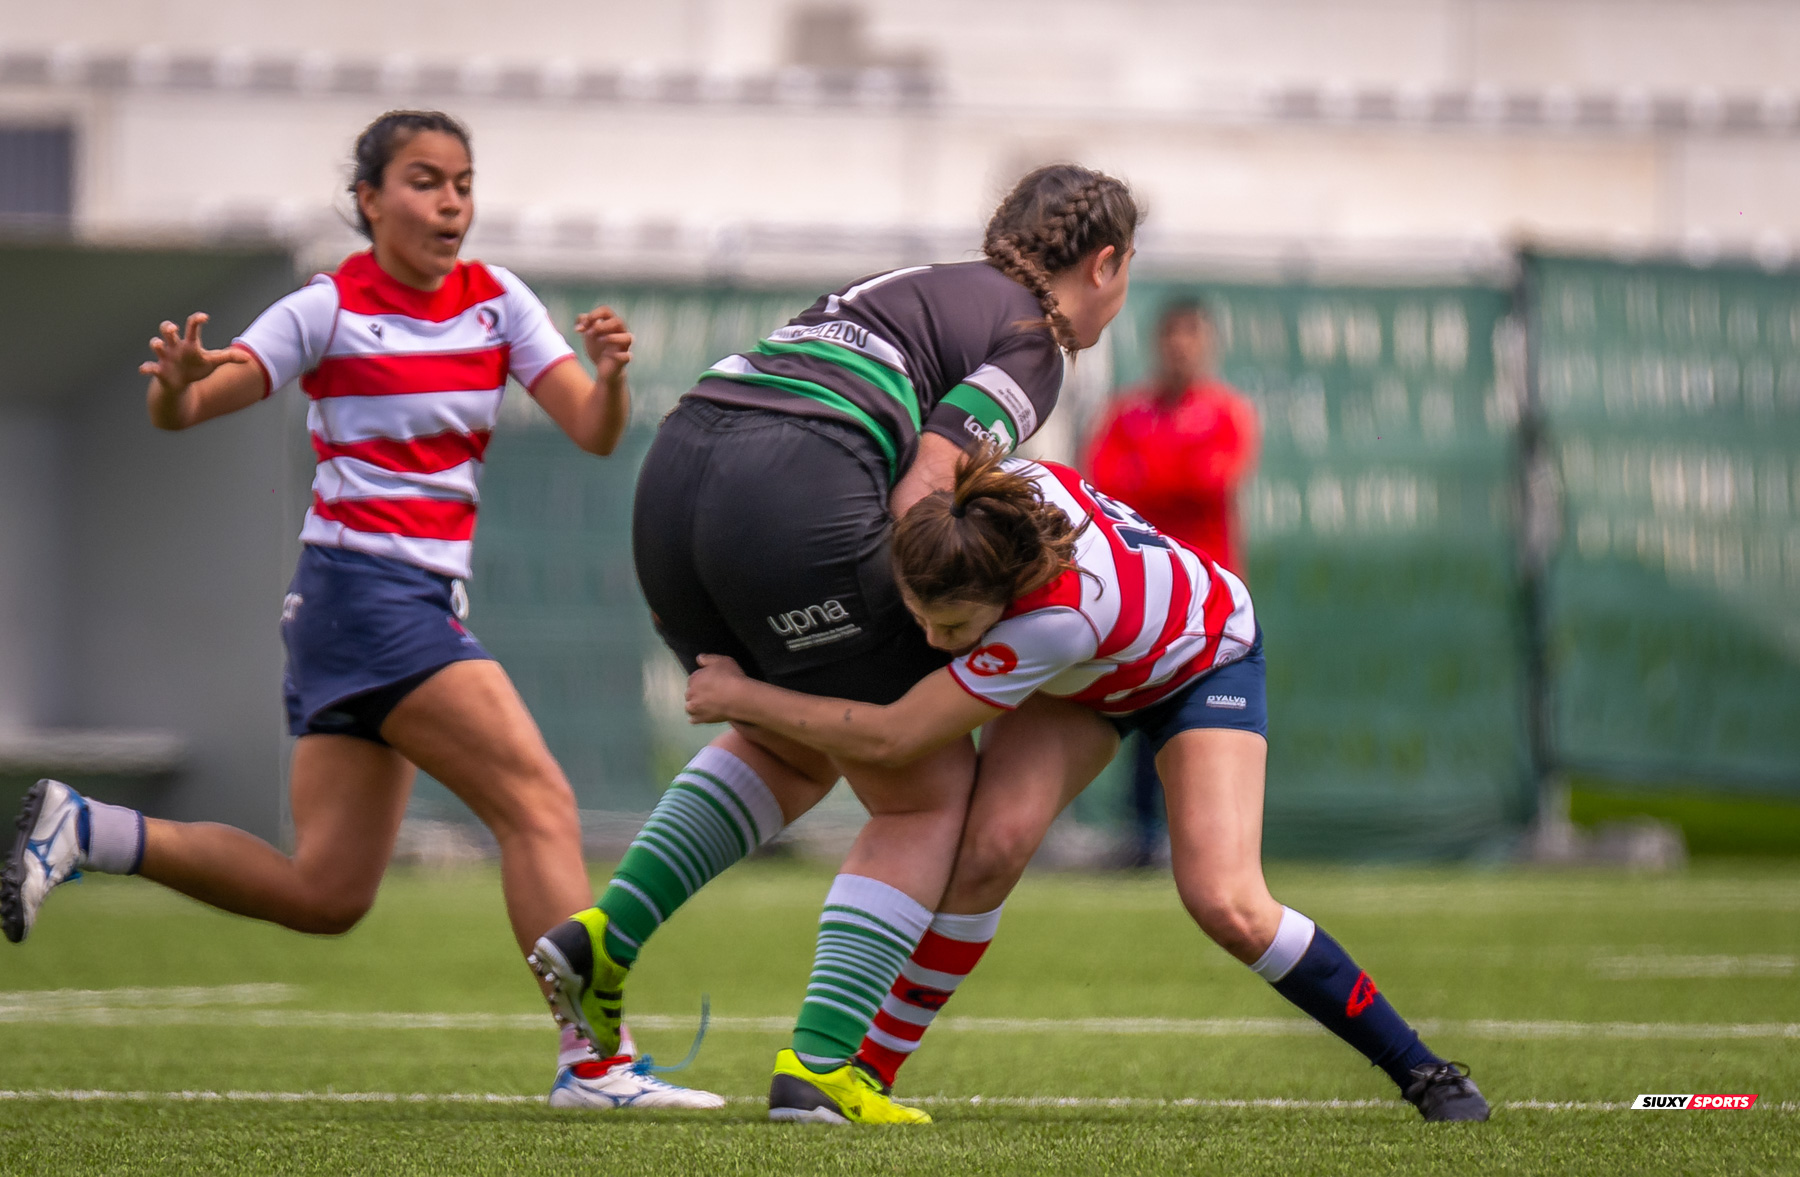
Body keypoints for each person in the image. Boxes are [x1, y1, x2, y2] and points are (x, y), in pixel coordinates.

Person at [0, 109, 715, 1110]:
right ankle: (594, 1063)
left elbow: (592, 432)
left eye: (463, 183)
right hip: (367, 598)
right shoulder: (324, 308)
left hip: (378, 610)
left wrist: (611, 379)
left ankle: (91, 829)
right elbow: (193, 404)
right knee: (541, 804)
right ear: (370, 199)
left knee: (326, 894)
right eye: (424, 181)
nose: (451, 202)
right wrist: (174, 388)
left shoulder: (499, 302)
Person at [529, 165, 1141, 1123]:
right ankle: (817, 1066)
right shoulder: (1035, 339)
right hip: (790, 498)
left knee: (800, 738)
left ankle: (608, 937)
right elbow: (923, 491)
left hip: (675, 484)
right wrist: (954, 618)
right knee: (926, 783)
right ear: (1106, 263)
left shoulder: (917, 282)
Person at [684, 444, 1491, 1123]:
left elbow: (897, 734)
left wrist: (743, 698)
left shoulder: (1055, 619)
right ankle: (868, 1073)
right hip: (1090, 677)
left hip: (1200, 661)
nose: (933, 639)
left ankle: (1425, 1070)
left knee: (1228, 902)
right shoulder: (975, 513)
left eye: (954, 629)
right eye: (921, 616)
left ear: (1003, 597)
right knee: (990, 847)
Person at [1084, 299, 1259, 867]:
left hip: (1209, 605)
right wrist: (1172, 469)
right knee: (1124, 718)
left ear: (1208, 344)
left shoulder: (1228, 413)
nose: (1181, 347)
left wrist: (1151, 472)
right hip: (1137, 601)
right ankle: (1141, 837)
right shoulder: (1126, 413)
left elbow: (1212, 480)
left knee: (1205, 726)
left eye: (1192, 335)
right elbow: (1104, 484)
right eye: (1172, 335)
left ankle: (1208, 845)